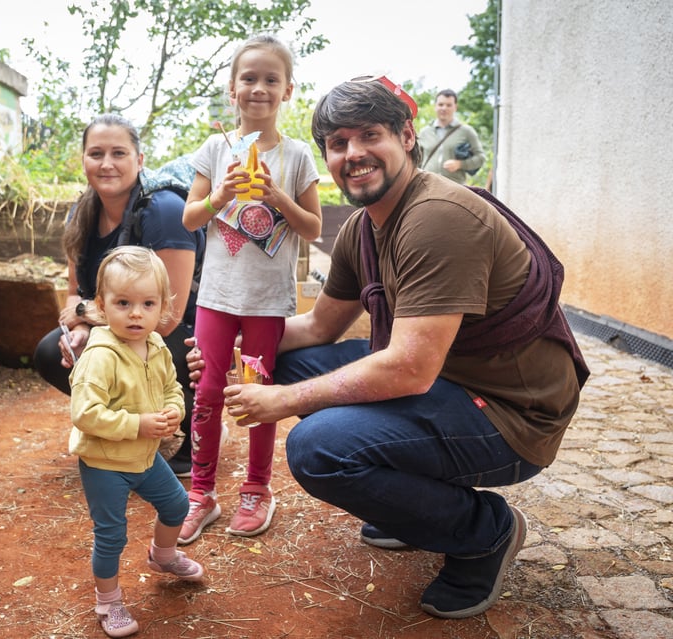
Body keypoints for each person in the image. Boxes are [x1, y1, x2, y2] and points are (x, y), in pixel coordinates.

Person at [197, 76, 589, 618]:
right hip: (445, 383)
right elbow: (316, 330)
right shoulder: (363, 228)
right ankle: (416, 506)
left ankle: (484, 533)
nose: (353, 154)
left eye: (369, 136)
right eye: (338, 144)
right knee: (280, 358)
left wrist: (286, 400)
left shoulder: (439, 218)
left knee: (320, 448)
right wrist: (228, 355)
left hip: (509, 413)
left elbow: (408, 368)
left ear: (407, 136)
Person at [178, 34, 322, 544]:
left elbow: (312, 228)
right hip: (216, 296)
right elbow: (190, 216)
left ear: (287, 91)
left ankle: (257, 488)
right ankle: (200, 493)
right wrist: (221, 194)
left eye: (270, 80)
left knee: (259, 395)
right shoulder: (216, 149)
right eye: (248, 78)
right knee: (208, 392)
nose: (258, 88)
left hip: (266, 303)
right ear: (232, 89)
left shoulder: (298, 155)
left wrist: (277, 195)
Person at [33, 113, 205, 478]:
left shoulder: (164, 211)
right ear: (83, 160)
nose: (107, 164)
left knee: (156, 343)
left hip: (182, 332)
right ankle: (128, 425)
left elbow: (167, 314)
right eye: (96, 153)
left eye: (119, 153)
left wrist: (84, 318)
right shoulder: (81, 213)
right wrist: (76, 331)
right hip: (116, 323)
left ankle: (188, 433)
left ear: (139, 161)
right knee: (53, 352)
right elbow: (73, 294)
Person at [69, 246, 205, 638]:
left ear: (162, 306)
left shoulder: (157, 345)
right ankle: (108, 602)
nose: (135, 313)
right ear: (100, 305)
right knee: (111, 534)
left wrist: (174, 411)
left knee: (177, 503)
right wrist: (139, 424)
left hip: (144, 457)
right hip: (104, 462)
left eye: (147, 303)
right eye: (123, 302)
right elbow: (85, 414)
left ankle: (163, 557)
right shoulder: (100, 357)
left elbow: (172, 388)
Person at [417, 89, 485, 184]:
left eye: (449, 105)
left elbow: (480, 158)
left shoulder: (466, 131)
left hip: (455, 188)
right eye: (441, 104)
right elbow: (416, 161)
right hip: (427, 186)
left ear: (455, 107)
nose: (444, 108)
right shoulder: (425, 132)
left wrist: (460, 164)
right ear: (435, 106)